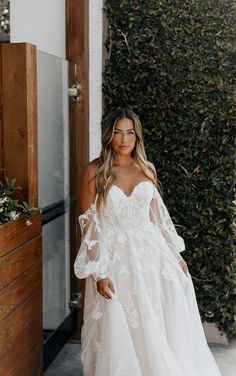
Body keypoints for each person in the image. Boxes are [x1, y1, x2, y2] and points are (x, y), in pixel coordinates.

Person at [74, 108, 222, 376]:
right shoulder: (94, 171)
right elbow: (89, 224)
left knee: (154, 320)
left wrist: (176, 257)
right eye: (118, 132)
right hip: (114, 259)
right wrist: (99, 270)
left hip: (151, 258)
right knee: (119, 323)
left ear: (137, 135)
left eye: (130, 132)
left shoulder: (146, 168)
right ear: (109, 135)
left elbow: (156, 217)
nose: (124, 139)